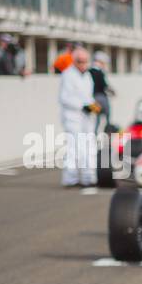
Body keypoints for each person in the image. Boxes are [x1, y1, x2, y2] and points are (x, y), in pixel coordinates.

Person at [58, 47, 99, 187]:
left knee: (89, 146)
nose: (83, 64)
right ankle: (71, 178)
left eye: (85, 61)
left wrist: (93, 106)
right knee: (74, 148)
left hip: (87, 118)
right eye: (80, 61)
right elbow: (64, 98)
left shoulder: (87, 76)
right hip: (73, 117)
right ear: (74, 61)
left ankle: (89, 177)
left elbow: (89, 96)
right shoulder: (68, 75)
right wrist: (82, 106)